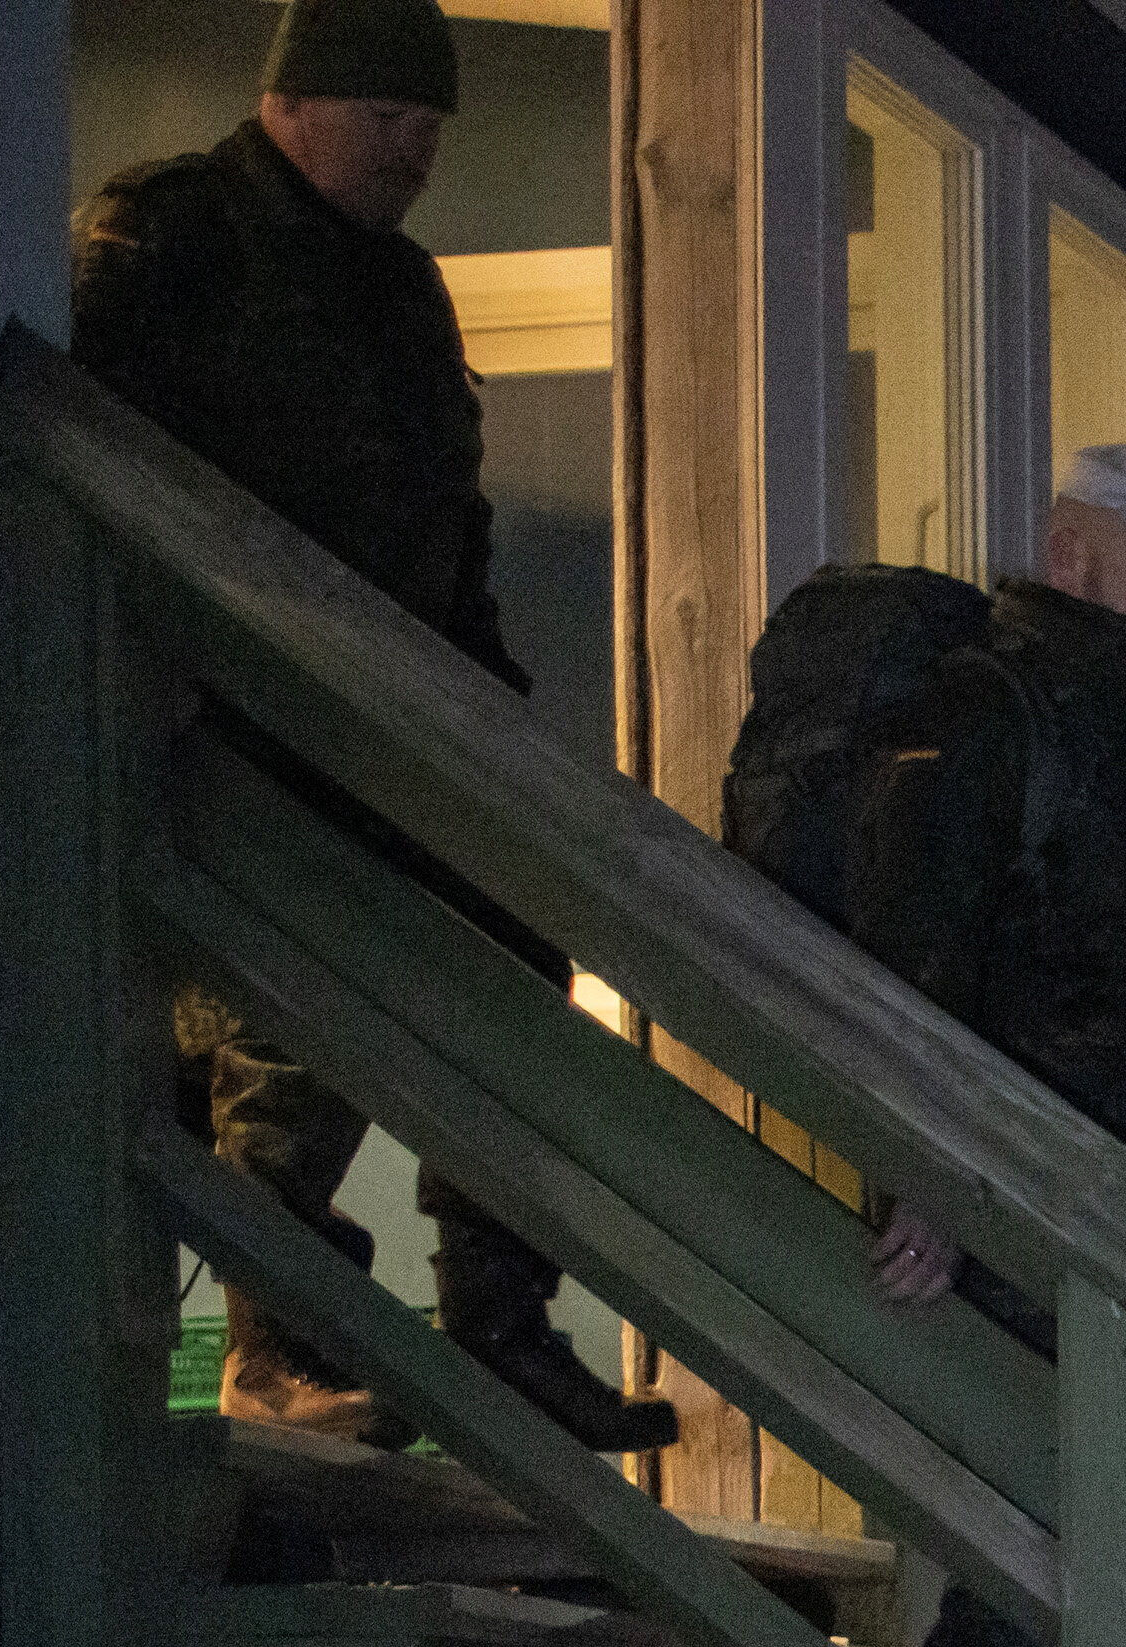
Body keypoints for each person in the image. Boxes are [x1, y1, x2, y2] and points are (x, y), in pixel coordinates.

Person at [76, 0, 678, 1459]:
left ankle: (497, 1319)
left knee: (517, 964)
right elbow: (90, 474)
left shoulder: (406, 291)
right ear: (300, 100)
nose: (418, 148)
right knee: (288, 1021)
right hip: (229, 723)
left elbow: (442, 531)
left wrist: (498, 734)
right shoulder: (173, 237)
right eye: (393, 115)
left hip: (395, 721)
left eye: (431, 124)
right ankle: (273, 1336)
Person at [846, 445, 1126, 1647]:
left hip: (1092, 1204)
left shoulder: (1106, 745)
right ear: (1072, 554)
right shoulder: (993, 725)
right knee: (1061, 1522)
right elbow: (908, 971)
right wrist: (925, 1184)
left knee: (1087, 1525)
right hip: (1021, 1203)